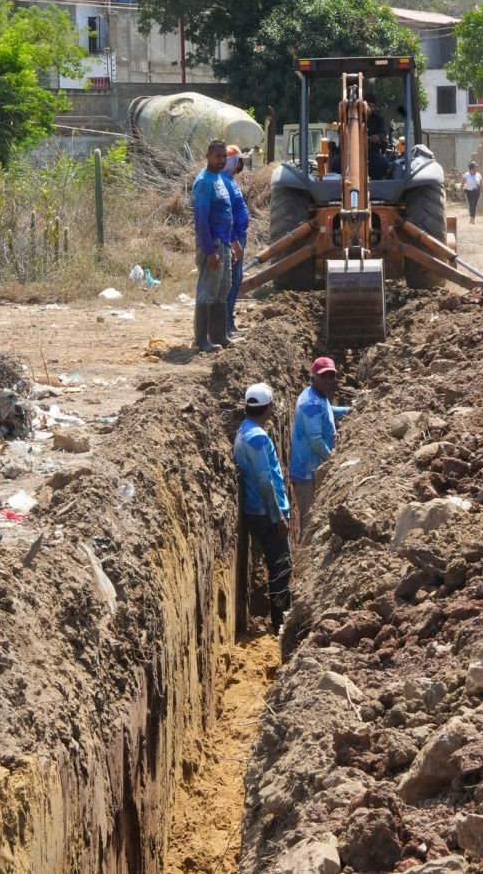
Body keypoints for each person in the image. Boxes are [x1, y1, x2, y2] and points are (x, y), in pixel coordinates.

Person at [233, 383, 292, 634]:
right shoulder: (257, 438)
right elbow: (265, 482)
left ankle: (280, 616)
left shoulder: (245, 430)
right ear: (267, 408)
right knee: (282, 567)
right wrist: (278, 517)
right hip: (265, 513)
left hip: (258, 511)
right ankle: (281, 621)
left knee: (278, 566)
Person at [289, 357, 349, 539]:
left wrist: (351, 410)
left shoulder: (318, 396)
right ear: (313, 378)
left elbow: (328, 411)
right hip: (308, 474)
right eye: (325, 377)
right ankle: (305, 556)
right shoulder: (311, 405)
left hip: (313, 468)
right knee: (310, 523)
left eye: (333, 376)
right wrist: (333, 462)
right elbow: (315, 441)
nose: (330, 381)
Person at [191, 140, 238, 351]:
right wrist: (210, 251)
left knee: (223, 289)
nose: (221, 160)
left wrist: (232, 244)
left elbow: (226, 214)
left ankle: (220, 335)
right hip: (213, 245)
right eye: (217, 156)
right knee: (207, 291)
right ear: (207, 156)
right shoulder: (204, 182)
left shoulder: (219, 179)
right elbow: (201, 219)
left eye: (224, 157)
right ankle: (201, 340)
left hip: (224, 243)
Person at [221, 145, 249, 335]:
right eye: (239, 161)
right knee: (231, 280)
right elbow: (224, 215)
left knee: (236, 279)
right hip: (233, 238)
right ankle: (225, 324)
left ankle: (229, 322)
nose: (241, 165)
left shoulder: (230, 180)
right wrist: (233, 241)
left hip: (238, 235)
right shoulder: (223, 181)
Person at [365, 96, 390, 178]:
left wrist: (378, 137)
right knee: (335, 164)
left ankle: (373, 182)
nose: (370, 108)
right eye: (368, 105)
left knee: (383, 163)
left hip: (371, 151)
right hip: (351, 152)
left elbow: (383, 133)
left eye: (373, 106)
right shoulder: (352, 118)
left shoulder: (378, 119)